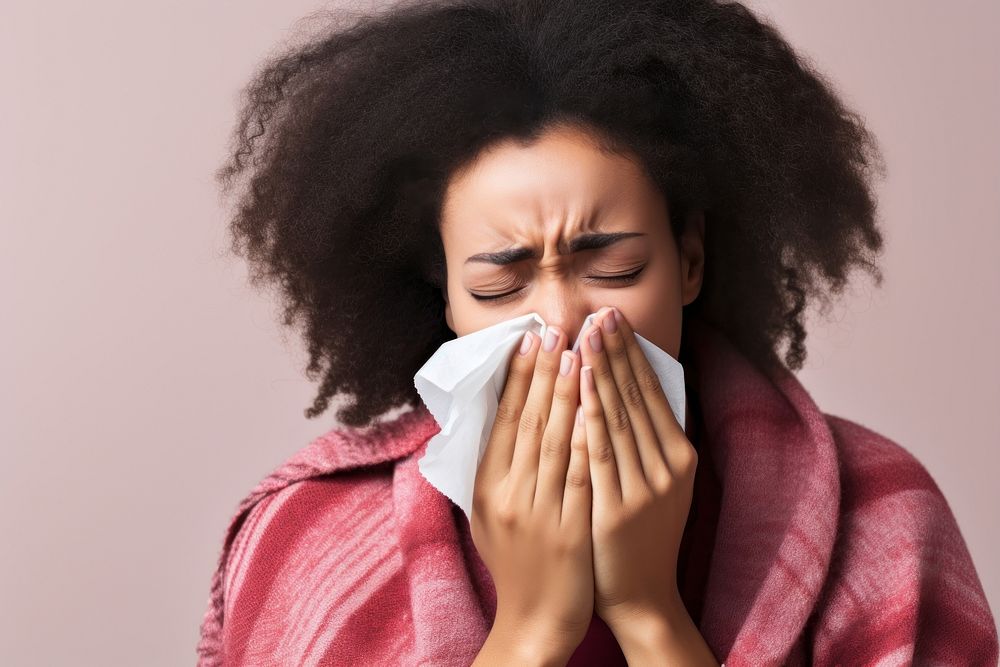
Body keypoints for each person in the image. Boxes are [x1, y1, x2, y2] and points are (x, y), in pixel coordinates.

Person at [196, 0, 999, 664]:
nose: (562, 320)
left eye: (611, 268)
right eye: (499, 283)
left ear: (689, 261)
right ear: (447, 302)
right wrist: (532, 628)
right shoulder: (310, 536)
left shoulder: (883, 521)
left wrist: (649, 614)